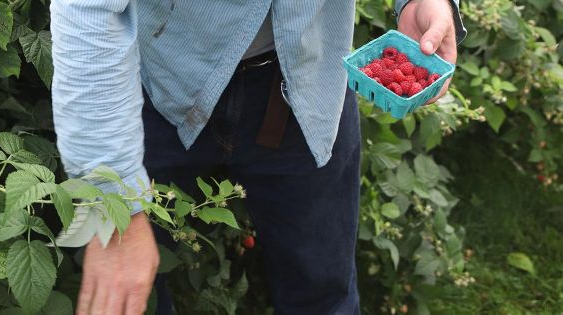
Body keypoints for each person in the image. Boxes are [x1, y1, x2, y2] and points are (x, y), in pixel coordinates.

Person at [49, 0, 466, 314]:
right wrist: (113, 200)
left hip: (307, 80)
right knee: (127, 291)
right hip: (156, 81)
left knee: (321, 288)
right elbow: (88, 12)